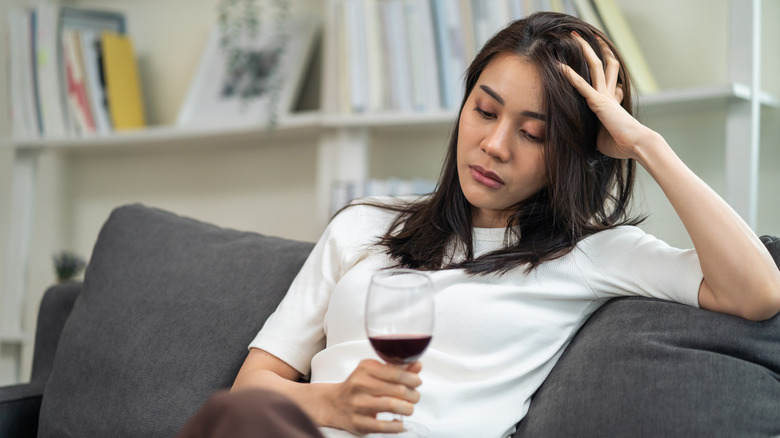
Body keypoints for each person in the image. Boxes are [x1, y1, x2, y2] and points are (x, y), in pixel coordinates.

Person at [178, 11, 780, 438]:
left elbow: (756, 292)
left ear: (573, 151)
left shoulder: (590, 254)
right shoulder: (365, 226)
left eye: (533, 133)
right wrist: (333, 403)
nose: (493, 145)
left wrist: (643, 142)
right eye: (484, 111)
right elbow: (251, 391)